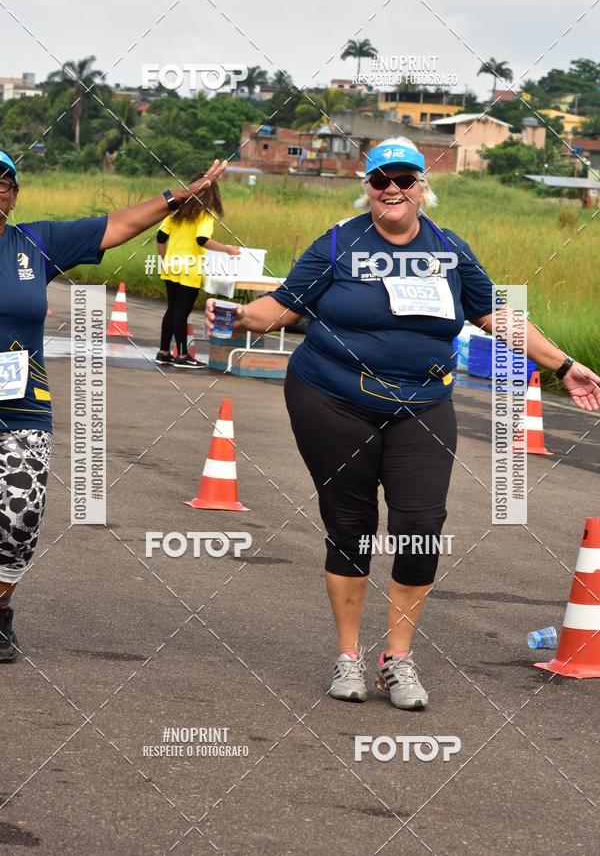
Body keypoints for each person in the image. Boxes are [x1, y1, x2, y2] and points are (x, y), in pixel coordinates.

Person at [206, 137, 600, 710]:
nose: (393, 189)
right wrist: (240, 315)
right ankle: (348, 656)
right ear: (366, 187)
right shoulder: (338, 243)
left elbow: (496, 315)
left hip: (423, 404)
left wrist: (563, 365)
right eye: (380, 180)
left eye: (405, 179)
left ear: (422, 187)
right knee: (351, 524)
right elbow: (286, 305)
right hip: (332, 399)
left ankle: (398, 658)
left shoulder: (449, 249)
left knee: (421, 524)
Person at [0, 150, 228, 661]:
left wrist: (178, 197)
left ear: (14, 196)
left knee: (20, 516)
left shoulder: (35, 243)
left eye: (3, 183)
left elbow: (118, 224)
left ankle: (0, 608)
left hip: (20, 405)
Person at [155, 170, 240, 369]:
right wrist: (227, 249)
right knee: (181, 312)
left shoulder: (176, 210)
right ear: (212, 194)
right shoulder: (205, 213)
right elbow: (202, 239)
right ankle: (183, 355)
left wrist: (164, 260)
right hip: (190, 268)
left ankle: (164, 352)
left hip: (171, 265)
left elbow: (160, 237)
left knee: (172, 309)